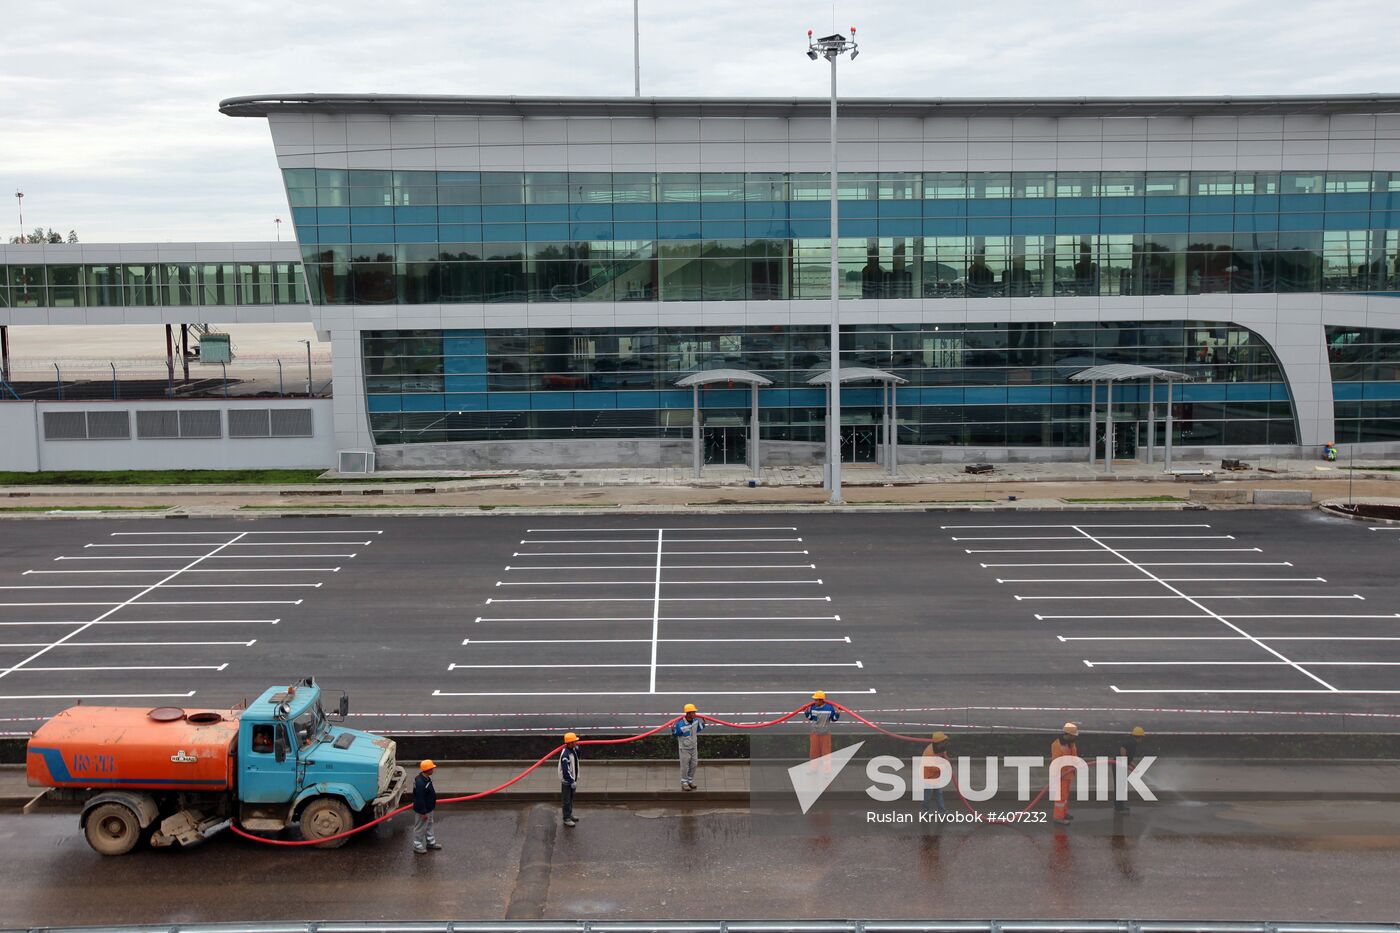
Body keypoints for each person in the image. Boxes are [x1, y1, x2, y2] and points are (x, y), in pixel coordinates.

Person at [1050, 723, 1079, 826]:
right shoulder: (1057, 745)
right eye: (1074, 735)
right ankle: (1058, 818)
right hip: (1061, 775)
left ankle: (1064, 813)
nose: (1075, 737)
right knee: (1060, 797)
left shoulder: (1071, 743)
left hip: (1068, 774)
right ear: (1068, 734)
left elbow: (1074, 755)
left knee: (1065, 796)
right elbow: (1056, 761)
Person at [672, 703, 705, 791]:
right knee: (685, 766)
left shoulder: (696, 721)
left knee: (694, 764)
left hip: (694, 747)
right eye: (693, 712)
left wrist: (704, 723)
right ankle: (684, 782)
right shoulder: (680, 724)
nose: (695, 714)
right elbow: (677, 734)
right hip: (684, 749)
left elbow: (697, 729)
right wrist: (673, 729)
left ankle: (690, 780)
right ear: (688, 713)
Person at [411, 759, 441, 854]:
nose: (433, 770)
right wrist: (423, 812)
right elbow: (419, 798)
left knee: (429, 825)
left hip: (429, 808)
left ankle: (430, 842)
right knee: (420, 827)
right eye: (432, 768)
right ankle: (417, 845)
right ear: (428, 770)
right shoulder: (420, 783)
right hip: (423, 810)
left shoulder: (425, 779)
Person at [1115, 726, 1145, 814]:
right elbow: (1123, 748)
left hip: (1120, 763)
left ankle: (1119, 806)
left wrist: (1131, 765)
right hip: (1120, 764)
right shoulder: (1131, 742)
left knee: (1121, 787)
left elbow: (1127, 755)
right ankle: (1119, 808)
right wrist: (1124, 762)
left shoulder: (1131, 741)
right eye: (1142, 737)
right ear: (1139, 737)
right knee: (1120, 787)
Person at [920, 731, 951, 815]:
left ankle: (942, 811)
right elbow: (932, 767)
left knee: (938, 793)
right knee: (928, 795)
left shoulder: (940, 747)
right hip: (928, 776)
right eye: (944, 741)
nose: (945, 742)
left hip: (935, 775)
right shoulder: (929, 753)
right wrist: (944, 767)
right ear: (939, 743)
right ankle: (924, 812)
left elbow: (943, 755)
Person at [806, 690, 840, 760]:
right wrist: (806, 713)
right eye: (814, 700)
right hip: (815, 732)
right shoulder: (813, 707)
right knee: (814, 752)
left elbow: (833, 719)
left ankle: (826, 770)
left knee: (826, 753)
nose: (814, 701)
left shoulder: (829, 708)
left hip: (825, 733)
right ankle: (813, 769)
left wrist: (837, 714)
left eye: (816, 700)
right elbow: (811, 718)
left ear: (821, 700)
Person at [559, 732, 581, 828]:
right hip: (567, 782)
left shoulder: (572, 750)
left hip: (573, 780)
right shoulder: (565, 755)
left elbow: (576, 759)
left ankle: (569, 814)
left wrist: (578, 750)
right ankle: (566, 818)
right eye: (575, 742)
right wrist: (571, 781)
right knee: (566, 800)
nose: (576, 743)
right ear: (570, 743)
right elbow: (565, 771)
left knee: (570, 799)